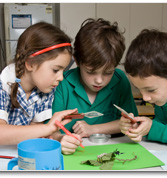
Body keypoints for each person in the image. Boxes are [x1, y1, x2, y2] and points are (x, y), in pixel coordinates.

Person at [50, 18, 138, 154]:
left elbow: (132, 123)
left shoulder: (120, 80)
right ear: (77, 61)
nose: (99, 80)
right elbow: (51, 130)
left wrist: (94, 129)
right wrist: (61, 139)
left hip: (115, 150)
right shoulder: (62, 83)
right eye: (91, 72)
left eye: (108, 72)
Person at [0, 22, 82, 148]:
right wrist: (48, 128)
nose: (61, 78)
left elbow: (37, 130)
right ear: (30, 63)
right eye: (55, 70)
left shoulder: (46, 90)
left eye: (63, 71)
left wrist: (61, 139)